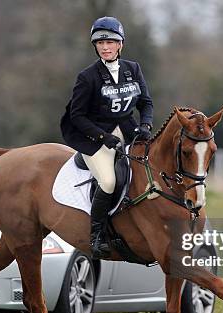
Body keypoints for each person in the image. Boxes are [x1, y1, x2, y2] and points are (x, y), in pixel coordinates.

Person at [60, 16, 154, 259]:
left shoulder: (133, 69)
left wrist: (145, 124)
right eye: (100, 44)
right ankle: (97, 234)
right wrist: (103, 137)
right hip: (93, 137)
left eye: (110, 42)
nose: (105, 47)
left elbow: (146, 103)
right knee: (109, 182)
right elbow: (77, 116)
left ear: (120, 44)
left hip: (128, 129)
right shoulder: (87, 77)